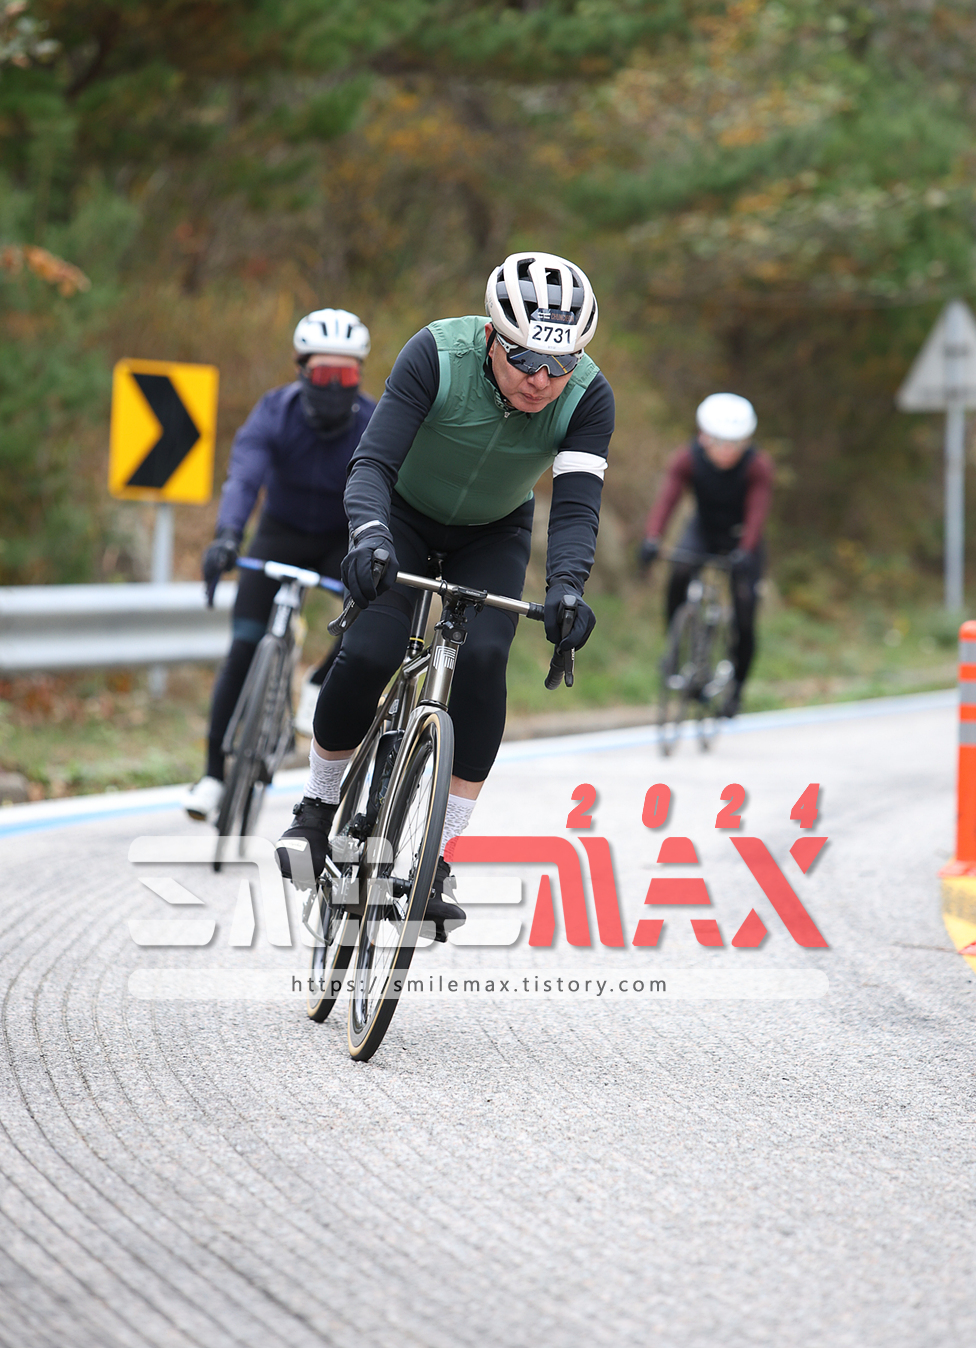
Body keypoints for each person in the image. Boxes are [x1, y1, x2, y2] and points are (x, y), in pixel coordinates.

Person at [273, 252, 615, 937]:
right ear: (491, 336)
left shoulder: (589, 397)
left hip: (495, 530)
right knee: (370, 651)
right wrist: (369, 535)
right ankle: (316, 807)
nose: (542, 380)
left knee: (485, 660)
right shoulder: (436, 354)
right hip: (400, 515)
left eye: (561, 364)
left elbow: (576, 507)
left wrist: (567, 587)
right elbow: (373, 461)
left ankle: (437, 859)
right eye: (526, 359)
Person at [182, 309, 377, 823]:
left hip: (342, 537)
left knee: (372, 617)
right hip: (279, 534)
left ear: (359, 376)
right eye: (323, 373)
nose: (333, 386)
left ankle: (317, 681)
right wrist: (227, 534)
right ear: (301, 371)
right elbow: (245, 476)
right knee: (244, 644)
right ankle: (213, 776)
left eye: (346, 376)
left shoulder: (375, 420)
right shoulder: (275, 411)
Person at [638, 392, 773, 719]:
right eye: (718, 443)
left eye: (735, 444)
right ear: (703, 437)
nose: (726, 451)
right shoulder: (687, 459)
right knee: (680, 572)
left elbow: (757, 514)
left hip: (742, 536)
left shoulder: (757, 467)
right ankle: (675, 646)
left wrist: (745, 552)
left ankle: (736, 689)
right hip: (703, 530)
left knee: (744, 613)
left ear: (746, 442)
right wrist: (652, 538)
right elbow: (668, 500)